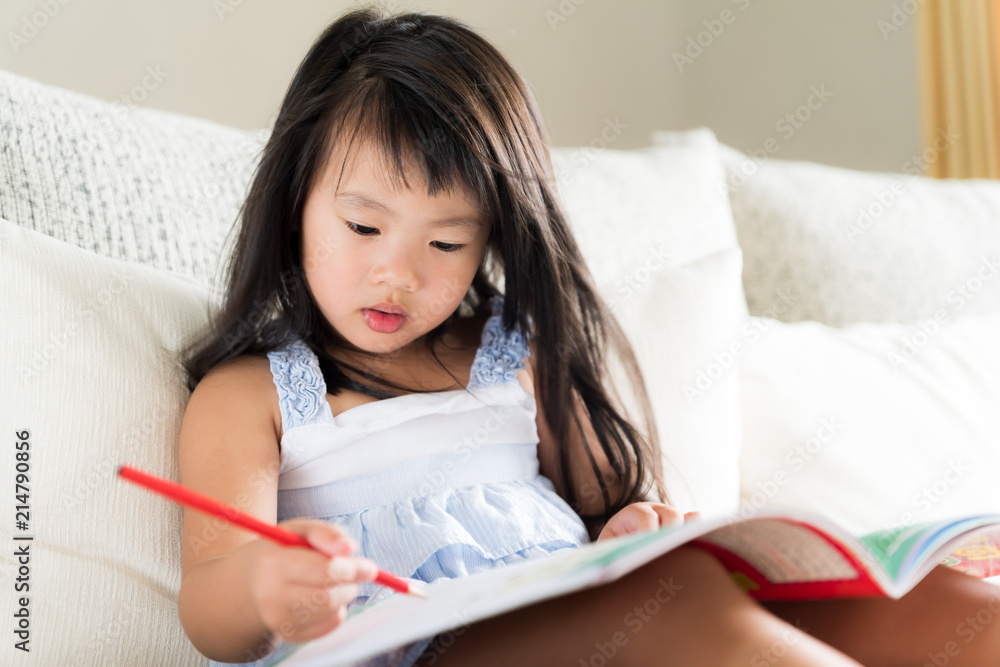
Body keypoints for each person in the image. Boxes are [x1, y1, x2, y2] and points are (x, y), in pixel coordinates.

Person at [175, 7, 1000, 666]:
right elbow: (211, 607)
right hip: (425, 645)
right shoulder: (255, 395)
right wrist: (265, 585)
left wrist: (630, 529)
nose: (398, 274)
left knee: (944, 608)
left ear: (492, 239)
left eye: (447, 243)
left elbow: (605, 515)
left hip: (584, 619)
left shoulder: (511, 354)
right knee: (676, 601)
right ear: (295, 203)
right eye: (362, 226)